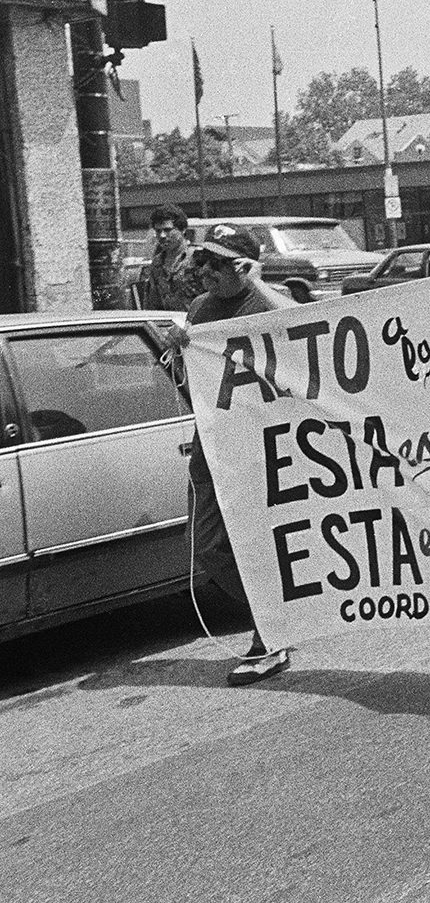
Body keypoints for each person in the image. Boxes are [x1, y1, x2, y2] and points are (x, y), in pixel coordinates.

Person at [168, 225, 295, 686]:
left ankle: (270, 636)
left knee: (263, 539)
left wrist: (257, 281)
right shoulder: (201, 309)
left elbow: (307, 326)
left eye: (220, 263)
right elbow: (196, 386)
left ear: (243, 265)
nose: (208, 272)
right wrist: (178, 352)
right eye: (204, 261)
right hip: (215, 444)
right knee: (207, 544)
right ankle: (278, 616)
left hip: (268, 445)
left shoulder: (266, 299)